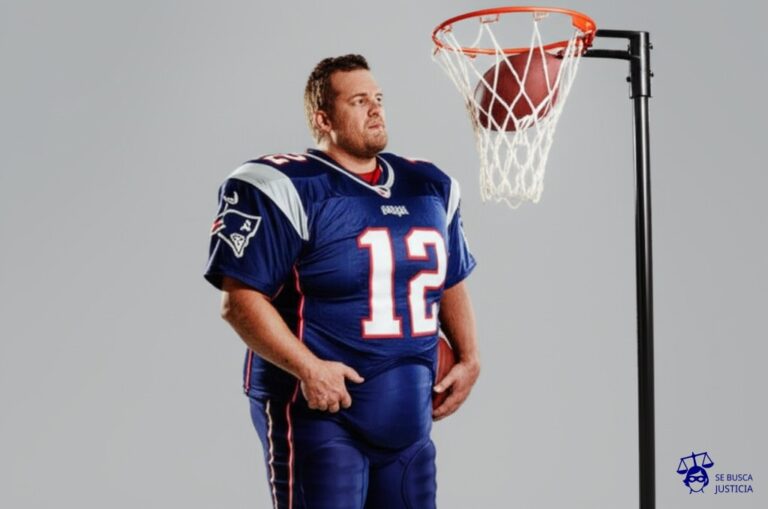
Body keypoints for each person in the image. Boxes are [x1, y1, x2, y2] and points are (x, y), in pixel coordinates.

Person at [204, 54, 480, 509]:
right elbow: (239, 301)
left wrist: (469, 357)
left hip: (409, 422)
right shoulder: (287, 186)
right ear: (323, 118)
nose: (375, 109)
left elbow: (449, 277)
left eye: (379, 98)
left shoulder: (428, 185)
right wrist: (309, 369)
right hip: (320, 413)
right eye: (358, 100)